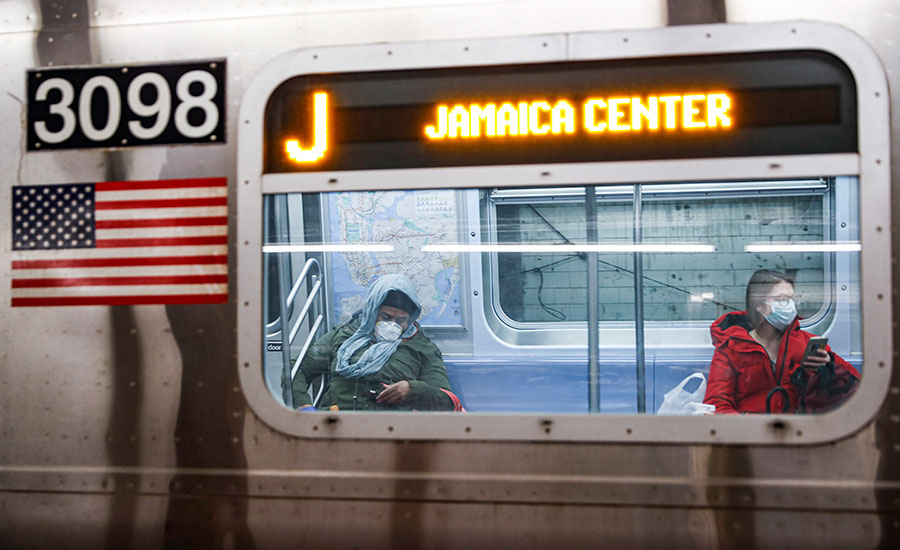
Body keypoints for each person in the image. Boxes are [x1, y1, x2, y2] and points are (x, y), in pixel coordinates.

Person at [288, 273, 460, 411]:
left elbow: (447, 400)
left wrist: (412, 390)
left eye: (401, 320)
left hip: (390, 430)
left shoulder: (422, 346)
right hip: (337, 424)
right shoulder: (345, 335)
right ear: (372, 311)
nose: (392, 325)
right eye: (386, 317)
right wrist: (304, 405)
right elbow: (297, 369)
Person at [704, 269, 860, 414]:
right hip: (750, 429)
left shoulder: (806, 343)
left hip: (798, 429)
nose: (790, 306)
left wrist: (829, 368)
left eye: (792, 299)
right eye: (782, 300)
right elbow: (716, 405)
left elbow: (856, 389)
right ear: (759, 305)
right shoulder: (731, 347)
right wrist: (749, 426)